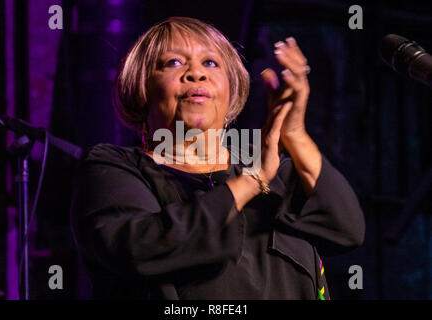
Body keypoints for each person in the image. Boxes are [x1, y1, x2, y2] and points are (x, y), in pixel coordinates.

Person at [70, 16, 365, 300]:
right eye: (173, 62)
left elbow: (346, 229)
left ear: (231, 87)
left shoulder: (279, 173)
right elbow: (138, 248)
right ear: (141, 87)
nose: (196, 73)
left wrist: (295, 132)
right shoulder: (114, 169)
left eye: (210, 62)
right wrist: (251, 181)